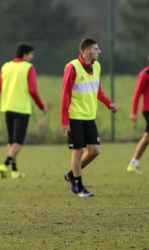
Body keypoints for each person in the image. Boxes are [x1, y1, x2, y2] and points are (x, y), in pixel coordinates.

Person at [61, 38, 118, 197]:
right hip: (75, 116)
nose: (99, 52)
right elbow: (65, 95)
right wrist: (65, 121)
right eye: (96, 49)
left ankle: (72, 175)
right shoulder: (72, 68)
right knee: (78, 152)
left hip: (89, 116)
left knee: (94, 151)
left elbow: (97, 90)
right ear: (86, 51)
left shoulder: (97, 66)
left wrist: (109, 103)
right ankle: (79, 187)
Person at [0, 43, 47, 179]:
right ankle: (6, 163)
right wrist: (41, 106)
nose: (32, 57)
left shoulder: (6, 67)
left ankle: (14, 170)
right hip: (22, 108)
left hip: (7, 107)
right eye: (31, 54)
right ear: (25, 54)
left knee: (11, 140)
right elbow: (32, 90)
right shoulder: (28, 68)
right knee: (18, 141)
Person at [126, 56, 149, 175]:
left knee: (146, 138)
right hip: (148, 109)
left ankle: (133, 164)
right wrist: (133, 112)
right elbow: (137, 94)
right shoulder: (144, 74)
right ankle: (133, 164)